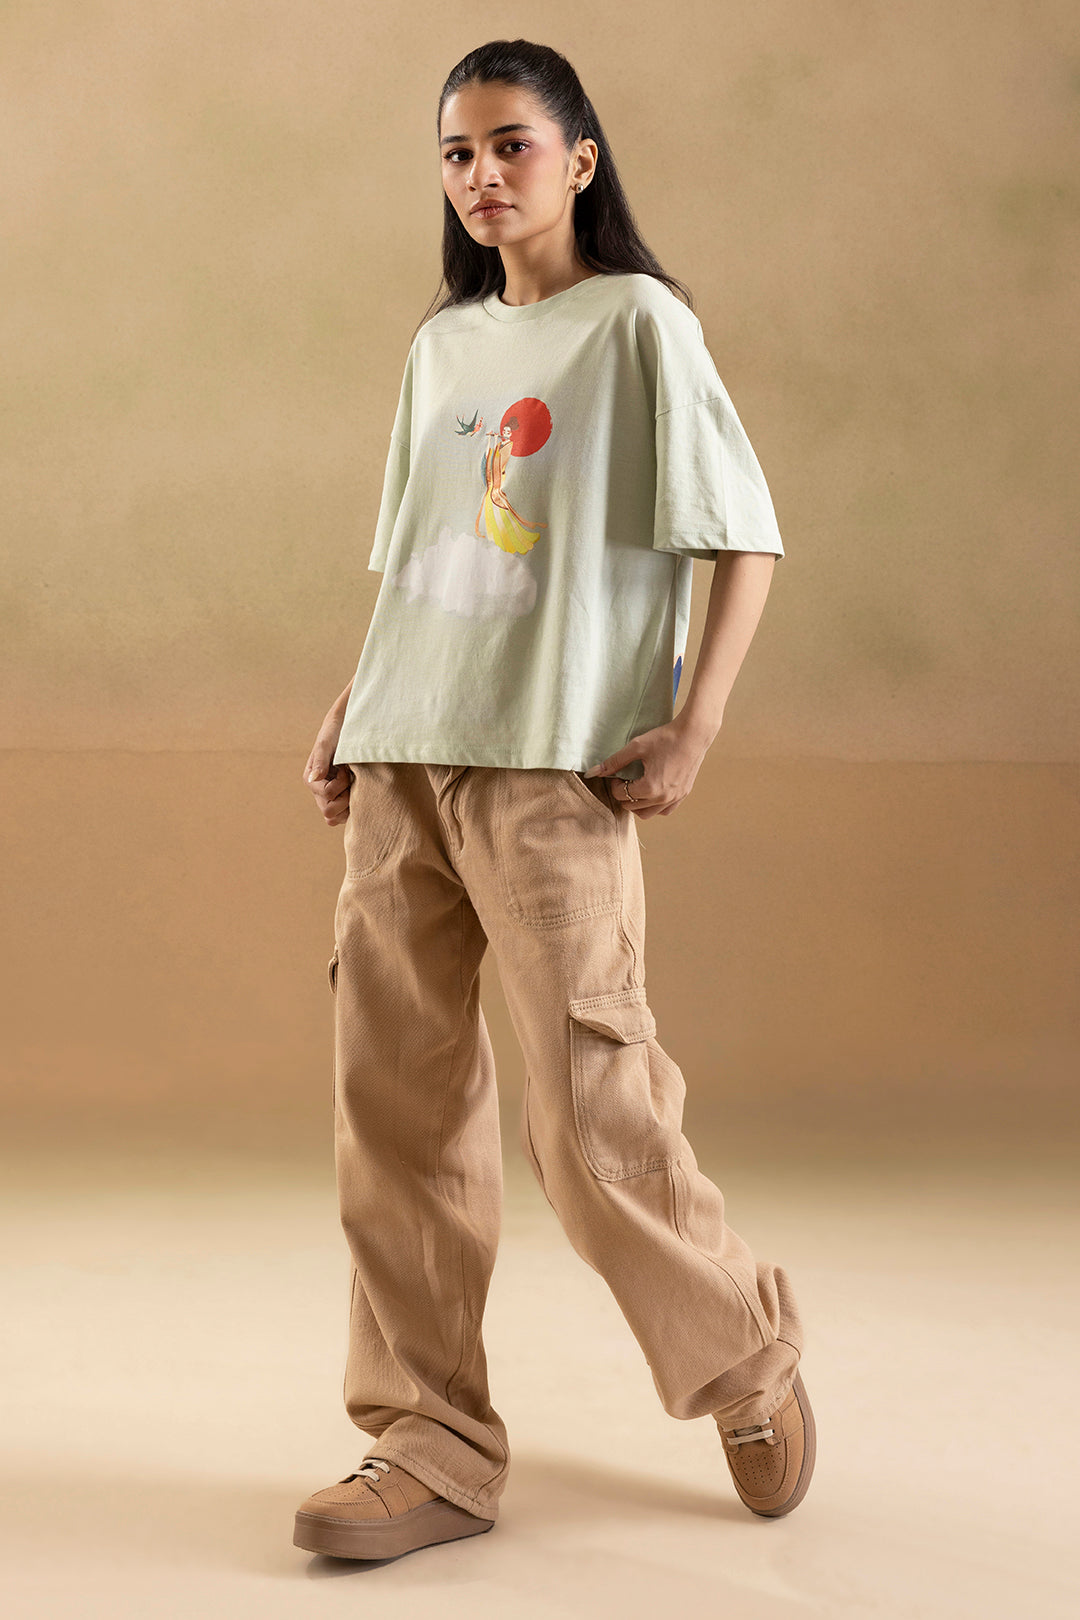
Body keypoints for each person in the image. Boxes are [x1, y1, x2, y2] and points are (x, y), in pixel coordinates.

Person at [293, 38, 816, 1565]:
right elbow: (419, 558)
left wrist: (695, 725)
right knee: (394, 1120)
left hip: (554, 766)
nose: (482, 176)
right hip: (405, 755)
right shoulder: (444, 347)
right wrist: (354, 702)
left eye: (511, 145)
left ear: (580, 159)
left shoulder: (638, 323)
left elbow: (744, 534)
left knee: (592, 1119)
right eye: (457, 153)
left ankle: (745, 1356)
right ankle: (429, 1445)